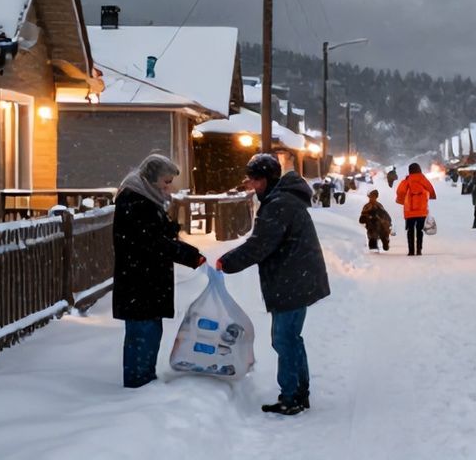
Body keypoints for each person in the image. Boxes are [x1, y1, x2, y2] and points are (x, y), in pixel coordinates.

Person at [217, 154, 331, 415]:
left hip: (291, 280)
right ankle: (299, 392)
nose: (252, 185)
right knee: (291, 339)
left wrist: (227, 262)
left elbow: (260, 245)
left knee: (283, 340)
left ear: (268, 179)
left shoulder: (279, 204)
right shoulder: (283, 199)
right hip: (296, 277)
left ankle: (291, 397)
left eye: (256, 180)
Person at [111, 154, 205, 388]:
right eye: (166, 181)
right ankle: (138, 384)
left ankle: (145, 379)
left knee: (150, 331)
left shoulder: (146, 198)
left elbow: (154, 234)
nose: (169, 187)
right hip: (139, 282)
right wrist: (188, 255)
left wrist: (169, 228)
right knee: (142, 334)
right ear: (151, 179)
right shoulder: (135, 201)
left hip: (146, 281)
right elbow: (152, 242)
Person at [396, 162, 437, 256]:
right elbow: (431, 190)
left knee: (410, 230)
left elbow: (400, 191)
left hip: (409, 211)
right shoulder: (423, 179)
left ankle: (411, 251)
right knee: (419, 231)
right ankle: (419, 250)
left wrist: (402, 201)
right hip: (422, 211)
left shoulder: (407, 180)